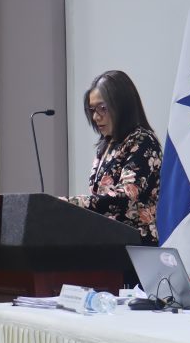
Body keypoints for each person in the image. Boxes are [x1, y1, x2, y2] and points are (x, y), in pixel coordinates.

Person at [65, 70, 163, 244]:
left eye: (102, 108)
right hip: (108, 244)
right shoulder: (107, 144)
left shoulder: (143, 140)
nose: (95, 117)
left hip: (136, 245)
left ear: (122, 106)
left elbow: (125, 196)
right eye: (92, 110)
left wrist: (71, 203)